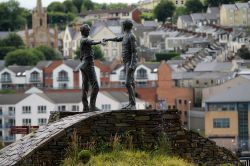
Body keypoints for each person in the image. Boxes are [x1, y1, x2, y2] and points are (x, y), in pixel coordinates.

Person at [103, 19, 138, 110]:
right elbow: (117, 39)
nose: (122, 27)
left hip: (130, 63)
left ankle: (133, 104)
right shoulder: (126, 35)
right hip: (126, 62)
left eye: (123, 25)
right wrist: (107, 39)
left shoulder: (131, 36)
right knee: (131, 83)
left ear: (125, 26)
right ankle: (131, 103)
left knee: (127, 83)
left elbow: (134, 52)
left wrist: (132, 65)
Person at [79, 24, 105, 112]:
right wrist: (100, 42)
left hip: (83, 64)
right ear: (84, 31)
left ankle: (85, 107)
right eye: (88, 30)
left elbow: (81, 55)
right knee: (96, 86)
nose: (89, 31)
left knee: (85, 86)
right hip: (88, 64)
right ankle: (92, 106)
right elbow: (91, 41)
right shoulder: (84, 39)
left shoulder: (81, 40)